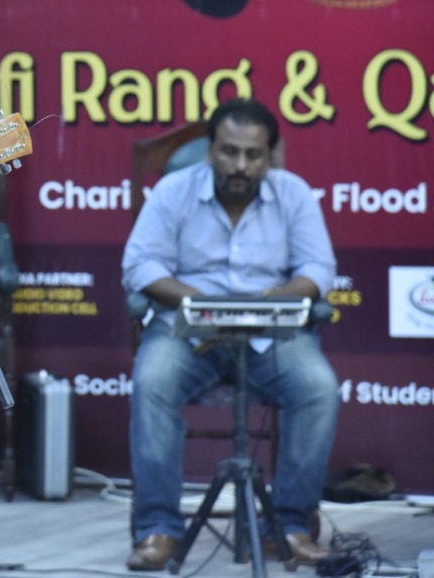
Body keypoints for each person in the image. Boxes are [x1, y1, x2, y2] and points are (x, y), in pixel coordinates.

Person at [122, 98, 339, 571]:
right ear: (211, 150)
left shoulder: (294, 194)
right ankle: (158, 527)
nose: (240, 164)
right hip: (186, 331)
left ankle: (289, 526)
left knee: (318, 388)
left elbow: (318, 268)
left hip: (268, 334)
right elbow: (140, 265)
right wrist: (203, 305)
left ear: (270, 156)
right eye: (229, 151)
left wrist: (272, 301)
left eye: (253, 154)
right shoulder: (175, 191)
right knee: (152, 382)